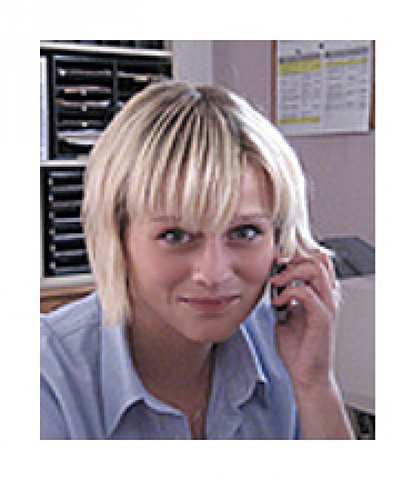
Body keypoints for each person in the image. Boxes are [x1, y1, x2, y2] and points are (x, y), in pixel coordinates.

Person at [40, 81, 354, 439]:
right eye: (176, 236)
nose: (214, 274)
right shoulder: (45, 375)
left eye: (245, 232)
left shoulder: (283, 347)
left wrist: (315, 385)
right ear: (117, 237)